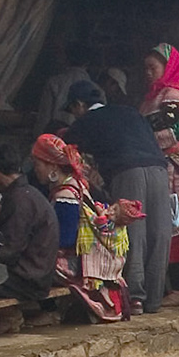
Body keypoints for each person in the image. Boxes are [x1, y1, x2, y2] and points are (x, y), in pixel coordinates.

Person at [61, 79, 172, 315]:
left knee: (132, 231)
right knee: (159, 232)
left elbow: (65, 146)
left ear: (79, 105)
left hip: (127, 170)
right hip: (159, 170)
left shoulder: (86, 121)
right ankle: (154, 298)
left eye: (72, 110)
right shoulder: (130, 112)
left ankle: (135, 297)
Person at [29, 134, 128, 322]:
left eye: (38, 165)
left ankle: (50, 310)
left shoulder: (65, 194)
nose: (35, 170)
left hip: (71, 264)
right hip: (76, 259)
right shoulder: (76, 186)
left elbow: (65, 239)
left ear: (53, 167)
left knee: (28, 266)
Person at [0, 143, 60, 326]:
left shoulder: (19, 200)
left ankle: (9, 315)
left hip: (26, 279)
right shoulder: (25, 194)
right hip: (36, 273)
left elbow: (9, 250)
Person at [138, 44, 179, 288]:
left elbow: (177, 131)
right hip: (156, 165)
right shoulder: (150, 99)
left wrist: (144, 142)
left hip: (172, 170)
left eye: (152, 67)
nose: (148, 72)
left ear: (168, 67)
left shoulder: (173, 95)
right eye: (145, 68)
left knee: (176, 222)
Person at [33, 40, 91, 136]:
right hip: (83, 146)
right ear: (87, 63)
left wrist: (37, 138)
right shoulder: (98, 91)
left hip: (57, 142)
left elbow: (44, 119)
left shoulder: (54, 83)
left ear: (65, 59)